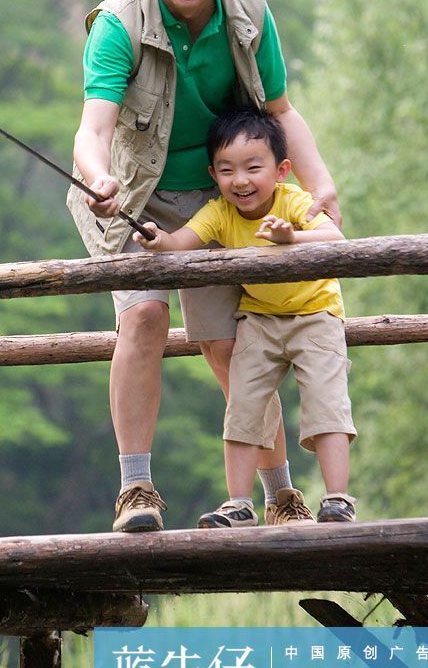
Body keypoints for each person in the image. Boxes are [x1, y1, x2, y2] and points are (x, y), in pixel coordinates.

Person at [68, 0, 341, 532]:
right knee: (142, 322)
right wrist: (97, 180)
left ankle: (280, 495)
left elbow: (279, 108)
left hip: (226, 199)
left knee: (229, 345)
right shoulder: (117, 22)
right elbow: (92, 129)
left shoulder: (248, 9)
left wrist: (320, 188)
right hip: (134, 197)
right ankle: (135, 490)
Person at [135, 107, 357, 526]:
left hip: (316, 313)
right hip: (259, 318)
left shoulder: (293, 201)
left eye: (254, 167)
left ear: (281, 169)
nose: (240, 180)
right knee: (243, 406)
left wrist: (292, 237)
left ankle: (338, 499)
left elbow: (336, 237)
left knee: (326, 403)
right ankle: (239, 503)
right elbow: (182, 241)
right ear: (213, 174)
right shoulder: (219, 212)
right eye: (226, 169)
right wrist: (157, 239)